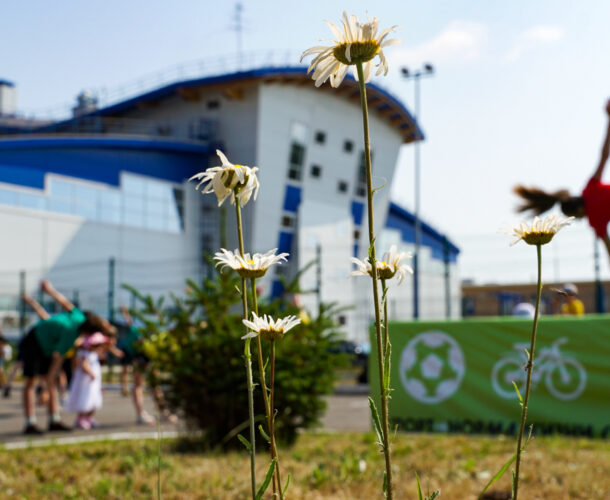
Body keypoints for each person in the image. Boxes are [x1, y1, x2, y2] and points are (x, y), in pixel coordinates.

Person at [514, 99, 610, 257]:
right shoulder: (590, 189)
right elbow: (604, 156)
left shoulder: (595, 221)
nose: (580, 220)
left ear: (579, 210)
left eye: (577, 217)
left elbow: (608, 247)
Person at [20, 280, 115, 435]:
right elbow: (56, 363)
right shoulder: (70, 334)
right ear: (87, 332)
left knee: (52, 381)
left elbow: (63, 301)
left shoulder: (79, 316)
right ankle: (30, 422)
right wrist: (43, 389)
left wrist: (50, 290)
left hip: (47, 345)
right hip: (34, 341)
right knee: (31, 380)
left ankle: (54, 419)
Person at [65, 332, 108, 430]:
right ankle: (81, 419)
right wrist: (91, 373)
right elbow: (84, 366)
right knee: (85, 401)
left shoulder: (94, 354)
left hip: (93, 384)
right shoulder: (85, 354)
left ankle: (89, 418)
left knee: (93, 402)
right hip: (86, 383)